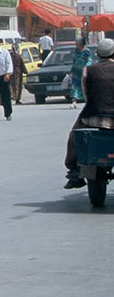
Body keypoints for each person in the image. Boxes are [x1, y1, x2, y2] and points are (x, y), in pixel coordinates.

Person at [63, 38, 114, 189]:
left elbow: (86, 95)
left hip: (93, 117)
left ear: (98, 54)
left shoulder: (89, 70)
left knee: (74, 136)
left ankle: (74, 169)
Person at [68, 38, 92, 108]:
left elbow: (89, 61)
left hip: (84, 71)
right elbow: (74, 61)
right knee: (74, 87)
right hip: (76, 72)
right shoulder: (76, 51)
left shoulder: (86, 51)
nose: (75, 45)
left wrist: (86, 68)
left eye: (77, 43)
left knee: (85, 87)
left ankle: (88, 102)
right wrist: (71, 71)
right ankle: (74, 102)